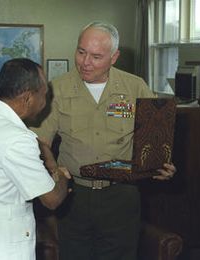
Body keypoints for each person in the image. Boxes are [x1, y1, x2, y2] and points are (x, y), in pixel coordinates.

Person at [31, 21, 176, 260]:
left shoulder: (135, 87)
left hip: (121, 195)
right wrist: (53, 171)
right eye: (81, 52)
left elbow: (155, 142)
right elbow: (40, 142)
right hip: (73, 195)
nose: (85, 62)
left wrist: (163, 165)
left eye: (96, 56)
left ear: (114, 57)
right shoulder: (57, 89)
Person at [0, 58, 71, 260]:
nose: (46, 101)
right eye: (44, 95)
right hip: (4, 247)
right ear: (27, 98)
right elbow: (51, 200)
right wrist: (60, 174)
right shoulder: (18, 138)